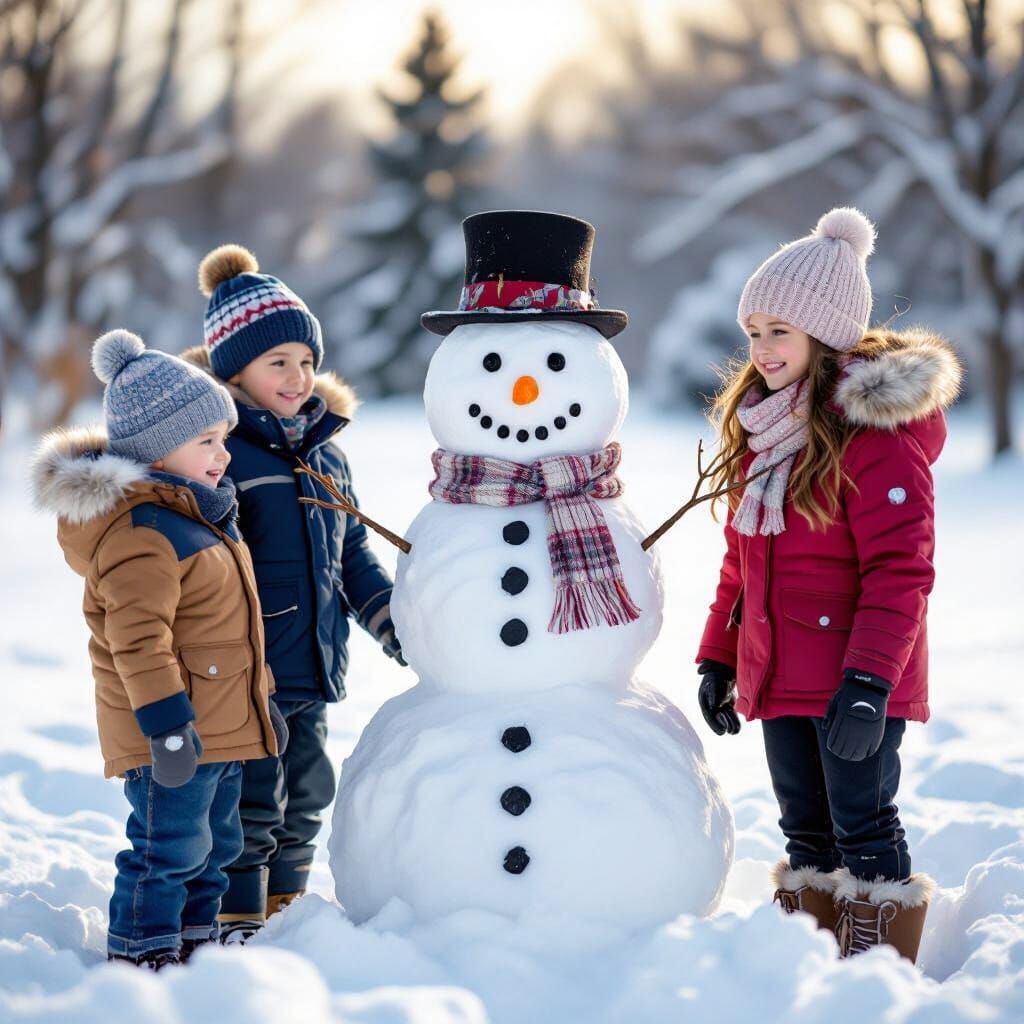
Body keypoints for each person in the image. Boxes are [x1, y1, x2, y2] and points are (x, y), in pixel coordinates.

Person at [694, 207, 962, 962]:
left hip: (856, 675)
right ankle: (808, 967)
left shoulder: (878, 440)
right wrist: (719, 655)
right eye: (754, 331)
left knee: (863, 825)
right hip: (782, 672)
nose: (762, 348)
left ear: (827, 332)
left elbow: (901, 572)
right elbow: (741, 563)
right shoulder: (766, 434)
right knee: (804, 829)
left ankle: (875, 974)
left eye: (780, 330)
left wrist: (871, 682)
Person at [32, 330, 286, 968]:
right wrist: (167, 727)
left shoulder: (196, 515)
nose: (222, 454)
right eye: (205, 441)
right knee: (165, 850)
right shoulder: (143, 531)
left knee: (213, 849)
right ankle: (142, 953)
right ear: (155, 447)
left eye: (223, 439)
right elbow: (138, 640)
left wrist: (262, 704)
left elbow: (231, 633)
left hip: (222, 729)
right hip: (171, 734)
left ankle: (193, 945)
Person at [183, 244, 404, 942]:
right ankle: (237, 914)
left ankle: (287, 908)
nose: (298, 375)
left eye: (306, 361)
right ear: (234, 369)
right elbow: (207, 565)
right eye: (277, 361)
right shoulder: (220, 453)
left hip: (311, 661)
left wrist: (391, 619)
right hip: (247, 669)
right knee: (251, 798)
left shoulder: (325, 451)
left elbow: (352, 554)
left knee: (307, 791)